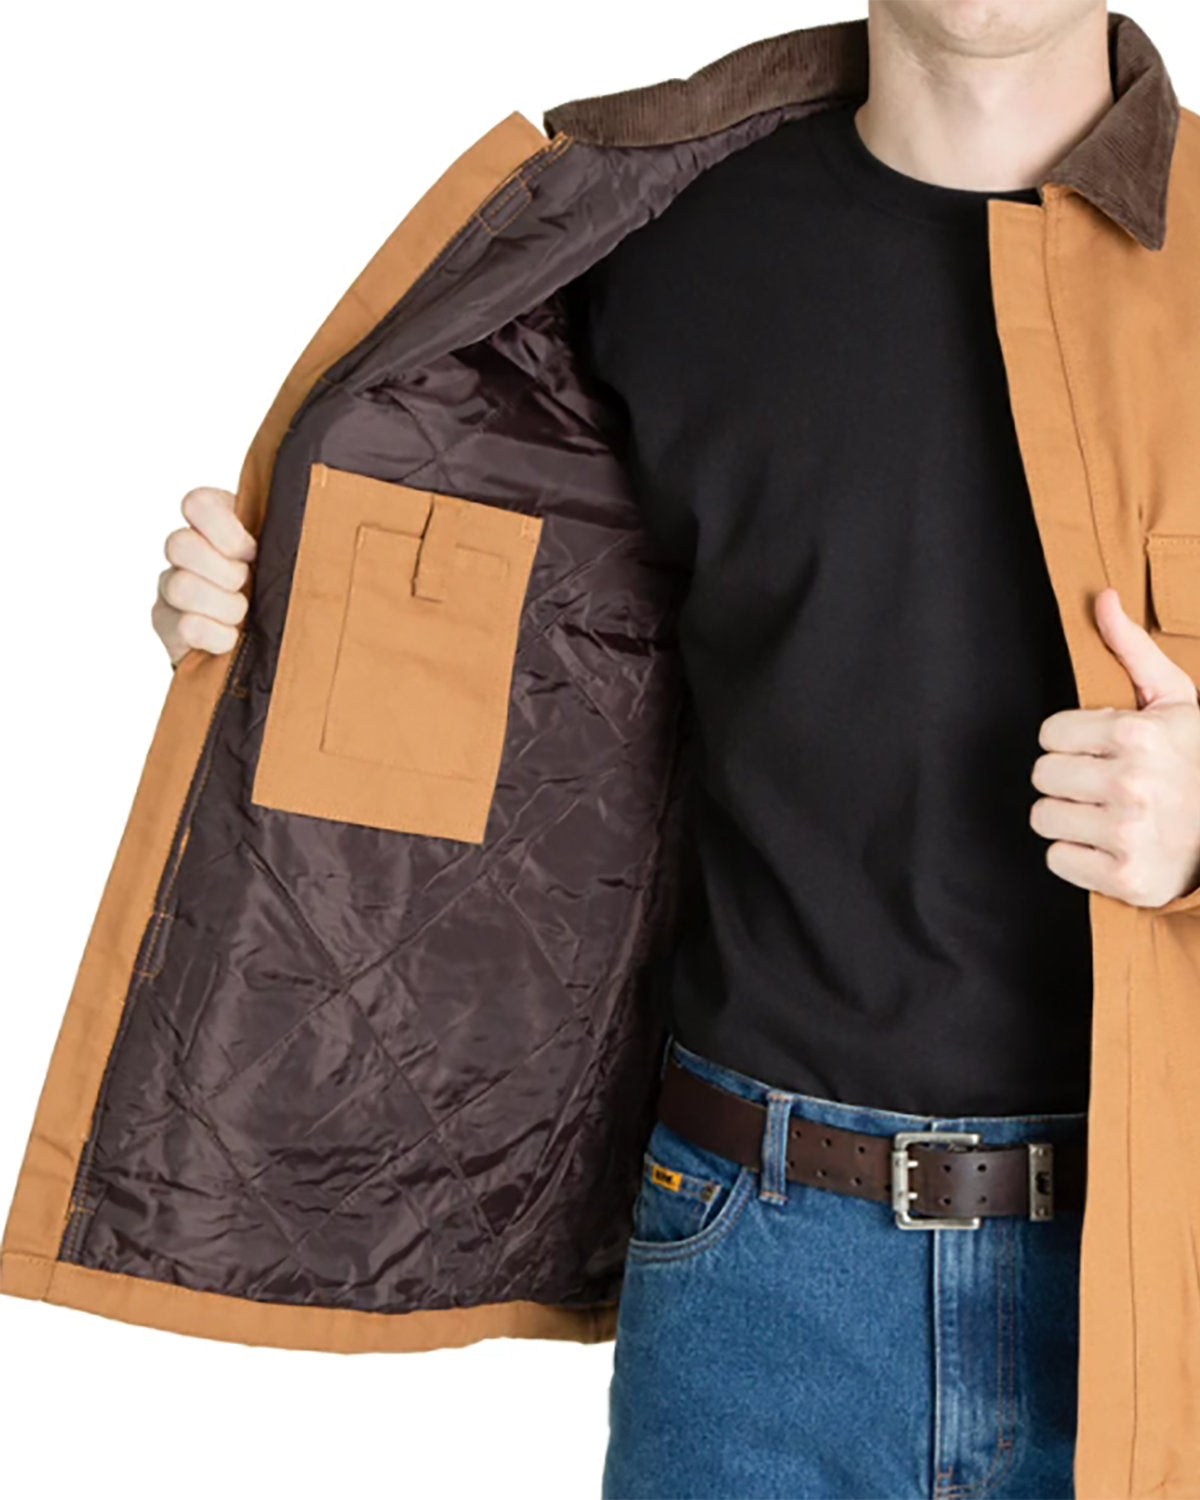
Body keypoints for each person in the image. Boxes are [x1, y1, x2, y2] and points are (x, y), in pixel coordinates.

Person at [149, 3, 1200, 1496]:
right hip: (749, 1276)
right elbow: (521, 670)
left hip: (1161, 1265)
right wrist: (272, 614)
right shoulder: (648, 241)